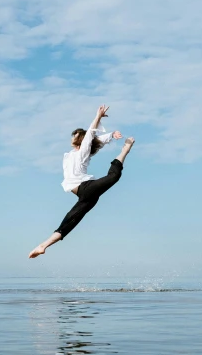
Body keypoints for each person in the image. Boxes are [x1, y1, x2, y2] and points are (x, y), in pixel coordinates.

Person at [29, 105, 134, 258]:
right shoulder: (73, 153)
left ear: (80, 139)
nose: (72, 137)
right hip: (85, 196)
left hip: (86, 188)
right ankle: (42, 246)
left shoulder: (82, 153)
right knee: (69, 222)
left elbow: (91, 136)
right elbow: (94, 140)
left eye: (75, 135)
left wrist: (98, 118)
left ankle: (125, 150)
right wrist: (110, 135)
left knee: (113, 177)